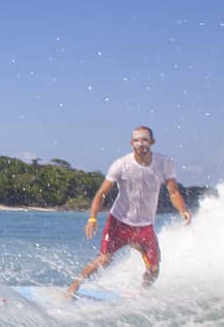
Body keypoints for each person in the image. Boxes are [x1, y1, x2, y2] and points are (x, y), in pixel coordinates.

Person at [66, 125, 192, 297]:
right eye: (137, 140)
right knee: (104, 259)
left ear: (152, 142)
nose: (141, 143)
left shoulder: (165, 163)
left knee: (154, 270)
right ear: (131, 143)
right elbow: (102, 193)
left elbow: (174, 191)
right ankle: (73, 287)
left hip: (145, 227)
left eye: (145, 140)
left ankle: (140, 294)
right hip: (119, 222)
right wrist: (92, 219)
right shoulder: (121, 165)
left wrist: (183, 210)